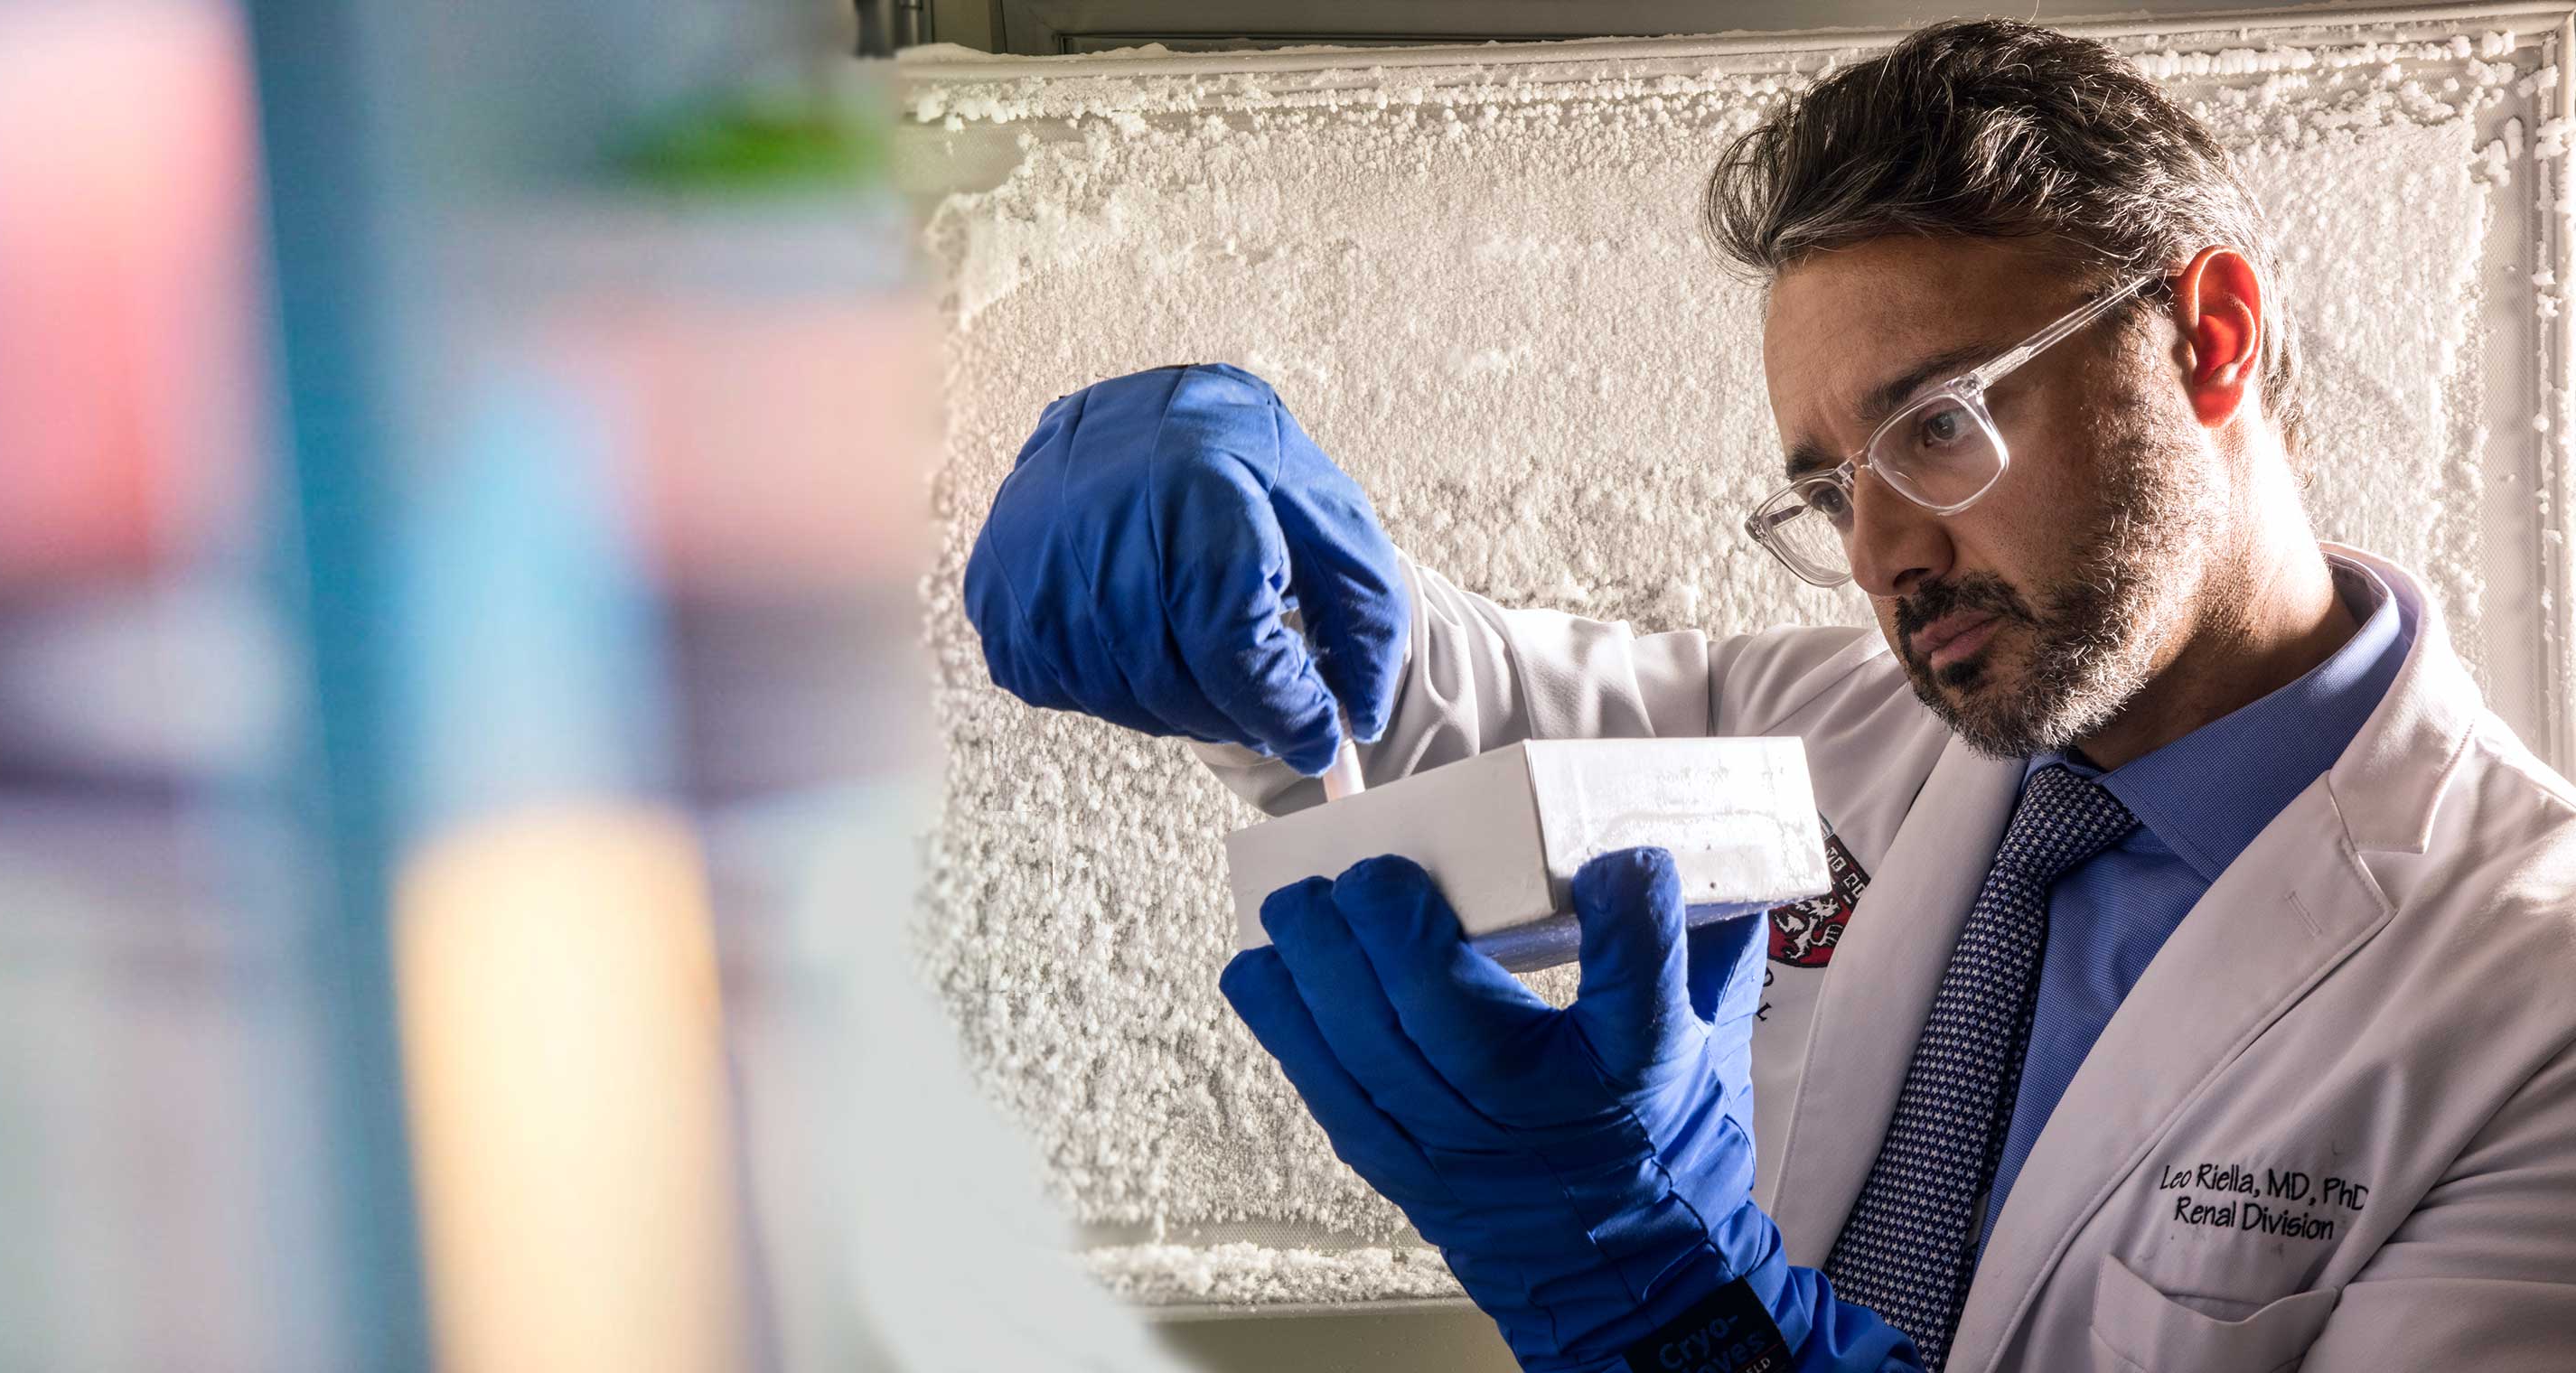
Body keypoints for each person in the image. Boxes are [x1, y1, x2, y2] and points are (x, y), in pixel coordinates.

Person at [960, 19, 2576, 1372]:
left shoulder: (2530, 1003)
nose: (1885, 555)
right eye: (1828, 488)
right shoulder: (1828, 733)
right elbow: (1436, 698)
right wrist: (1232, 539)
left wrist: (1690, 1321)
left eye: (1937, 424)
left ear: (2209, 336)